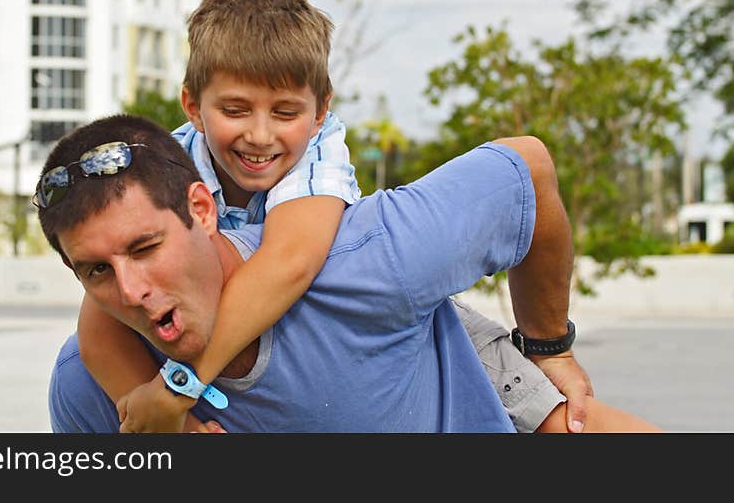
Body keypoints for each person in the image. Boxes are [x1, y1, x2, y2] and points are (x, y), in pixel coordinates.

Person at [70, 0, 593, 434]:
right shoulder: (168, 163)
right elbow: (99, 316)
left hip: (380, 321)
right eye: (234, 109)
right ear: (193, 105)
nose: (259, 135)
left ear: (320, 112)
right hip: (252, 353)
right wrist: (166, 423)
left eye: (284, 112)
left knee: (558, 420)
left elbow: (289, 263)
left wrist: (177, 390)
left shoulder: (318, 156)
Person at [37, 114, 660, 432]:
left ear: (202, 210)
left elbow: (525, 169)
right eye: (95, 270)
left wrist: (549, 345)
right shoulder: (91, 390)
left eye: (146, 247)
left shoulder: (370, 258)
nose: (131, 291)